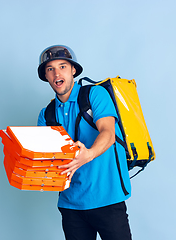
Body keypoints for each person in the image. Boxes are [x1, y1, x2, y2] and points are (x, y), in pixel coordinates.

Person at [37, 45, 132, 240]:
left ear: (73, 70)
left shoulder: (95, 95)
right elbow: (46, 161)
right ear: (46, 76)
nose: (56, 73)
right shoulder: (45, 115)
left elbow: (108, 132)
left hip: (108, 200)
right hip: (70, 206)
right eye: (50, 69)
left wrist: (87, 154)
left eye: (62, 66)